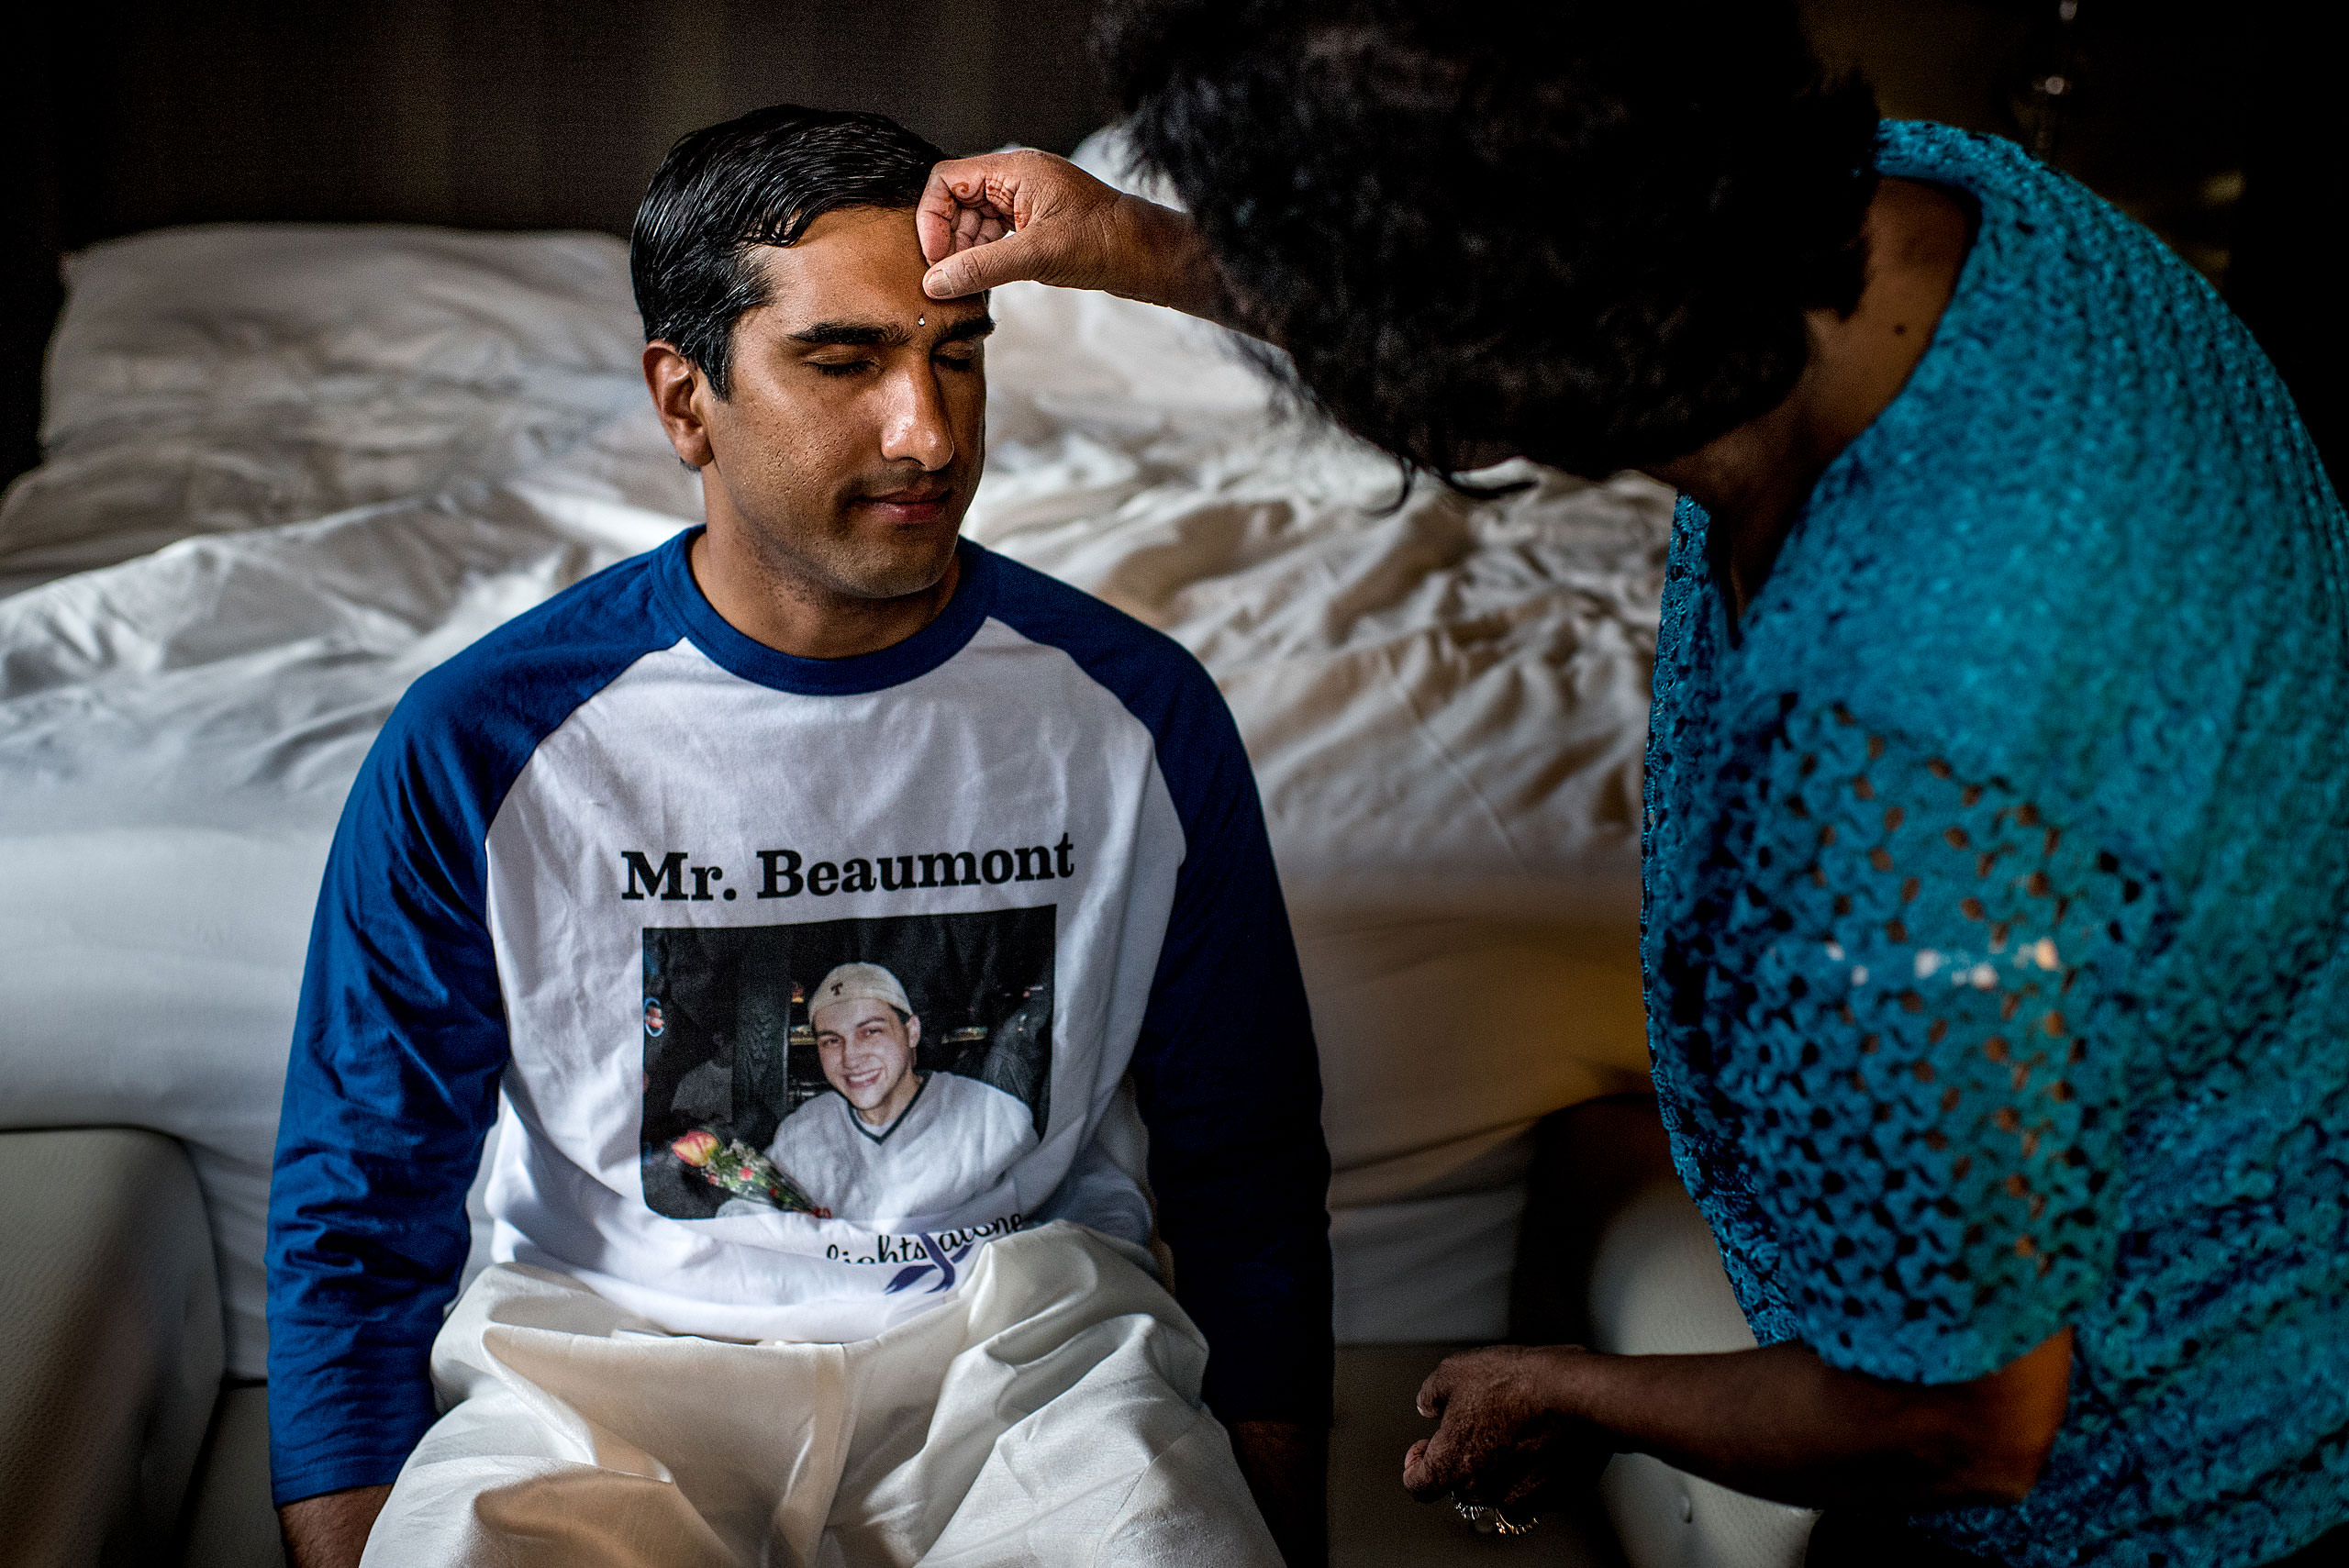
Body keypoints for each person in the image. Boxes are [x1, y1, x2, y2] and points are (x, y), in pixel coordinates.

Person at [915, 3, 2349, 1564]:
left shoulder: (1904, 755)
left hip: (2152, 1483)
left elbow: (1961, 1417)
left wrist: (1584, 1388)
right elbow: (1486, 275)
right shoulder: (1939, 201)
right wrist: (1144, 245)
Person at [265, 104, 1330, 1568]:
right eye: (844, 362)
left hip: (1025, 1375)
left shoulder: (1138, 715)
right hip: (600, 1376)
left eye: (957, 357)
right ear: (684, 397)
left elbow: (1248, 1159)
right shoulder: (484, 741)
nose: (929, 432)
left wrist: (1268, 1530)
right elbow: (357, 1207)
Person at [766, 961, 1038, 1219]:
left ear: (912, 1032)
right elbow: (748, 1210)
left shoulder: (993, 1116)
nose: (851, 1058)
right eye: (831, 1041)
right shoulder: (803, 1129)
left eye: (871, 1032)